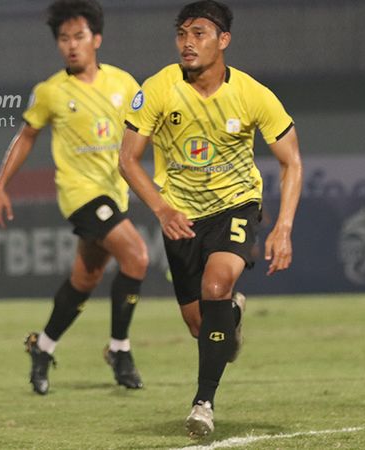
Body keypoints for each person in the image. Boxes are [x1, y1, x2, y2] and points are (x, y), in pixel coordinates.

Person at [118, 0, 303, 437]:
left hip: (236, 207)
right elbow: (128, 160)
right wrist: (162, 209)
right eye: (182, 34)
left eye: (198, 33)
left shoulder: (252, 94)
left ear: (224, 40)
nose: (187, 43)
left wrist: (284, 227)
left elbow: (291, 160)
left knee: (216, 284)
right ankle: (230, 321)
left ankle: (203, 404)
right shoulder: (159, 88)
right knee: (201, 325)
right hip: (180, 215)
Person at [0, 0, 150, 395]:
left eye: (78, 36)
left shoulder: (124, 84)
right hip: (80, 193)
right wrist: (0, 184)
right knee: (137, 256)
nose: (71, 45)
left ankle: (42, 347)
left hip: (115, 192)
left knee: (86, 278)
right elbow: (27, 136)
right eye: (64, 39)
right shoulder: (50, 92)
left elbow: (148, 129)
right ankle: (120, 349)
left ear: (96, 38)